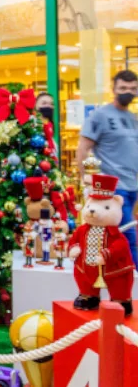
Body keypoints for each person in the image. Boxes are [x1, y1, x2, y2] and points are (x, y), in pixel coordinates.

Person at [77, 69, 138, 265]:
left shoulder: (132, 118)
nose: (127, 91)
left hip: (133, 185)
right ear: (114, 89)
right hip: (113, 187)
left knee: (125, 237)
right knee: (129, 237)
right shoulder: (100, 116)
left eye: (132, 88)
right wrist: (84, 180)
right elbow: (83, 148)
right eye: (123, 88)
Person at [36, 92, 57, 156]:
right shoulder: (33, 125)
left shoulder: (49, 124)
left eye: (51, 104)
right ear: (36, 106)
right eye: (44, 103)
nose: (48, 106)